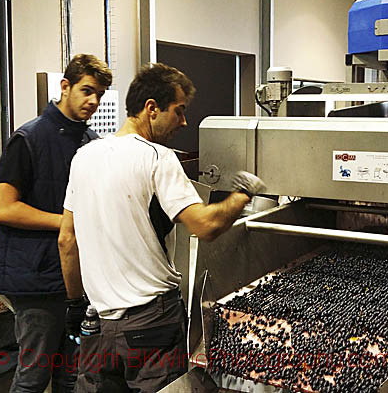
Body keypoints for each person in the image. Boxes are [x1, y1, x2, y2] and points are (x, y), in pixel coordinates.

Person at [58, 63, 265, 392]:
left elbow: (67, 241)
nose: (183, 122)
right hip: (150, 324)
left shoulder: (84, 156)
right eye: (179, 111)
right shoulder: (158, 157)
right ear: (151, 108)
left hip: (97, 325)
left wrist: (74, 306)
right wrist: (244, 193)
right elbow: (206, 225)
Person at [0, 54, 113, 392]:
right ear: (64, 86)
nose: (94, 101)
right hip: (35, 280)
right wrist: (66, 222)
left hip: (74, 279)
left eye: (100, 94)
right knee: (33, 375)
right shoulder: (29, 139)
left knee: (70, 374)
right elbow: (4, 208)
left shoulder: (92, 144)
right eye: (87, 91)